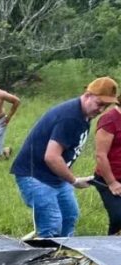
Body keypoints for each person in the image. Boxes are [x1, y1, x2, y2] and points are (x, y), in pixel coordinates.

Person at [11, 77, 118, 238]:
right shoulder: (71, 117)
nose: (101, 109)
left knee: (69, 216)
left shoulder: (84, 114)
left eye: (106, 105)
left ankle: (65, 256)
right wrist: (74, 180)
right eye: (99, 103)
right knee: (52, 224)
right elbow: (52, 157)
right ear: (88, 95)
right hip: (35, 175)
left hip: (55, 176)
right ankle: (46, 259)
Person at [94, 102, 121, 234]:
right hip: (109, 178)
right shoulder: (109, 120)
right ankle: (110, 250)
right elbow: (101, 155)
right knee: (119, 217)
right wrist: (112, 183)